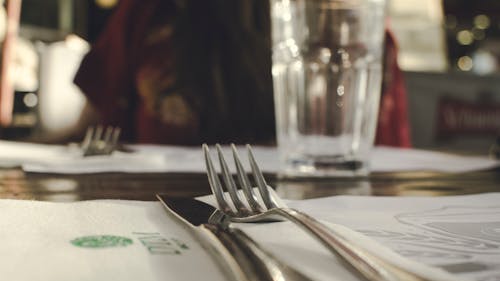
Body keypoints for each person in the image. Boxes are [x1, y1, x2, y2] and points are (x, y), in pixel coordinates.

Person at [73, 0, 411, 147]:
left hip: (317, 221)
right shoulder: (149, 11)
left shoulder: (348, 24)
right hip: (155, 217)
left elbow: (383, 165)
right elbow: (93, 133)